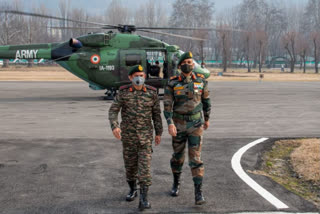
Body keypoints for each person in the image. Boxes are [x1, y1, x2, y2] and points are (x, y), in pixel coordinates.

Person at [108, 65, 163, 211]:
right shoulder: (124, 93)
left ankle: (144, 198)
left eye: (142, 75)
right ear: (131, 77)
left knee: (144, 168)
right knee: (130, 167)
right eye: (136, 75)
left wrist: (159, 133)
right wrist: (115, 126)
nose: (139, 78)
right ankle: (132, 189)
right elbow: (113, 111)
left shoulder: (151, 93)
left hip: (145, 138)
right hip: (129, 137)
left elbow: (156, 114)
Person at [163, 51, 211, 205]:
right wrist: (170, 122)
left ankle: (198, 192)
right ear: (180, 65)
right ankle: (176, 183)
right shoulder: (172, 82)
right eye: (186, 62)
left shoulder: (201, 81)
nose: (188, 64)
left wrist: (207, 118)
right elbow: (167, 105)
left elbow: (206, 101)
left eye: (191, 62)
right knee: (177, 156)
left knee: (196, 158)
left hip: (196, 124)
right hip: (178, 124)